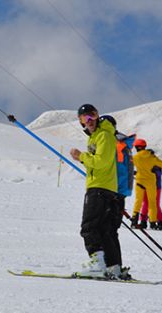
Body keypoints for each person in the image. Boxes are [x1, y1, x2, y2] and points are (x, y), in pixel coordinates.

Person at [69, 103, 128, 280]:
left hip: (99, 188)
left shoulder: (103, 135)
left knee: (89, 227)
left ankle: (97, 264)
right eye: (84, 118)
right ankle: (113, 266)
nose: (89, 120)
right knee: (105, 230)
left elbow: (101, 162)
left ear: (98, 116)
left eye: (92, 116)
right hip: (106, 187)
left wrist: (81, 156)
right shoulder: (99, 136)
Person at [131, 138, 162, 229]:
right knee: (152, 202)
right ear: (144, 146)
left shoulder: (135, 157)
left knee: (138, 201)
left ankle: (134, 220)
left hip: (139, 180)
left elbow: (128, 164)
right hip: (151, 182)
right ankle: (152, 222)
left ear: (136, 147)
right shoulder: (151, 157)